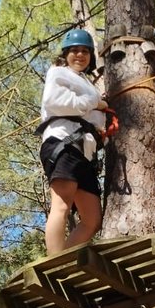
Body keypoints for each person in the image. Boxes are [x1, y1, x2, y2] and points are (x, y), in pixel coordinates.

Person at [38, 28, 107, 255]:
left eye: (85, 51)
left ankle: (63, 261)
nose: (80, 55)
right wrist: (94, 102)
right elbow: (55, 102)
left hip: (84, 152)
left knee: (92, 219)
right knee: (61, 205)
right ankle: (54, 265)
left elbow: (90, 115)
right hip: (63, 142)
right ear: (65, 54)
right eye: (74, 50)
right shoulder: (58, 72)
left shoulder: (85, 82)